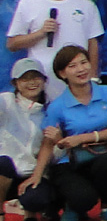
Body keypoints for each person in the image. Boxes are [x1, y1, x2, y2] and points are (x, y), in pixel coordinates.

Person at [33, 45, 107, 221]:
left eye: (84, 62)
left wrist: (83, 138)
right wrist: (36, 175)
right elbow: (47, 144)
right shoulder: (57, 106)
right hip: (71, 162)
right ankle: (73, 206)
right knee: (82, 197)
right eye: (73, 66)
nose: (81, 69)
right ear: (62, 74)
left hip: (104, 154)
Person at [7, 0, 105, 98]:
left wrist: (92, 77)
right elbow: (12, 44)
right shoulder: (29, 2)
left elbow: (93, 43)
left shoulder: (86, 4)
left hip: (76, 85)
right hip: (39, 85)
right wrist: (40, 33)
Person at [0, 59, 50, 218]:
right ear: (15, 83)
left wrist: (57, 144)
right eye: (25, 78)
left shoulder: (49, 112)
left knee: (36, 199)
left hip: (31, 174)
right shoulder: (6, 101)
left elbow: (54, 155)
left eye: (36, 77)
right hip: (5, 173)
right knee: (4, 164)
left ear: (44, 80)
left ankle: (30, 215)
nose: (31, 82)